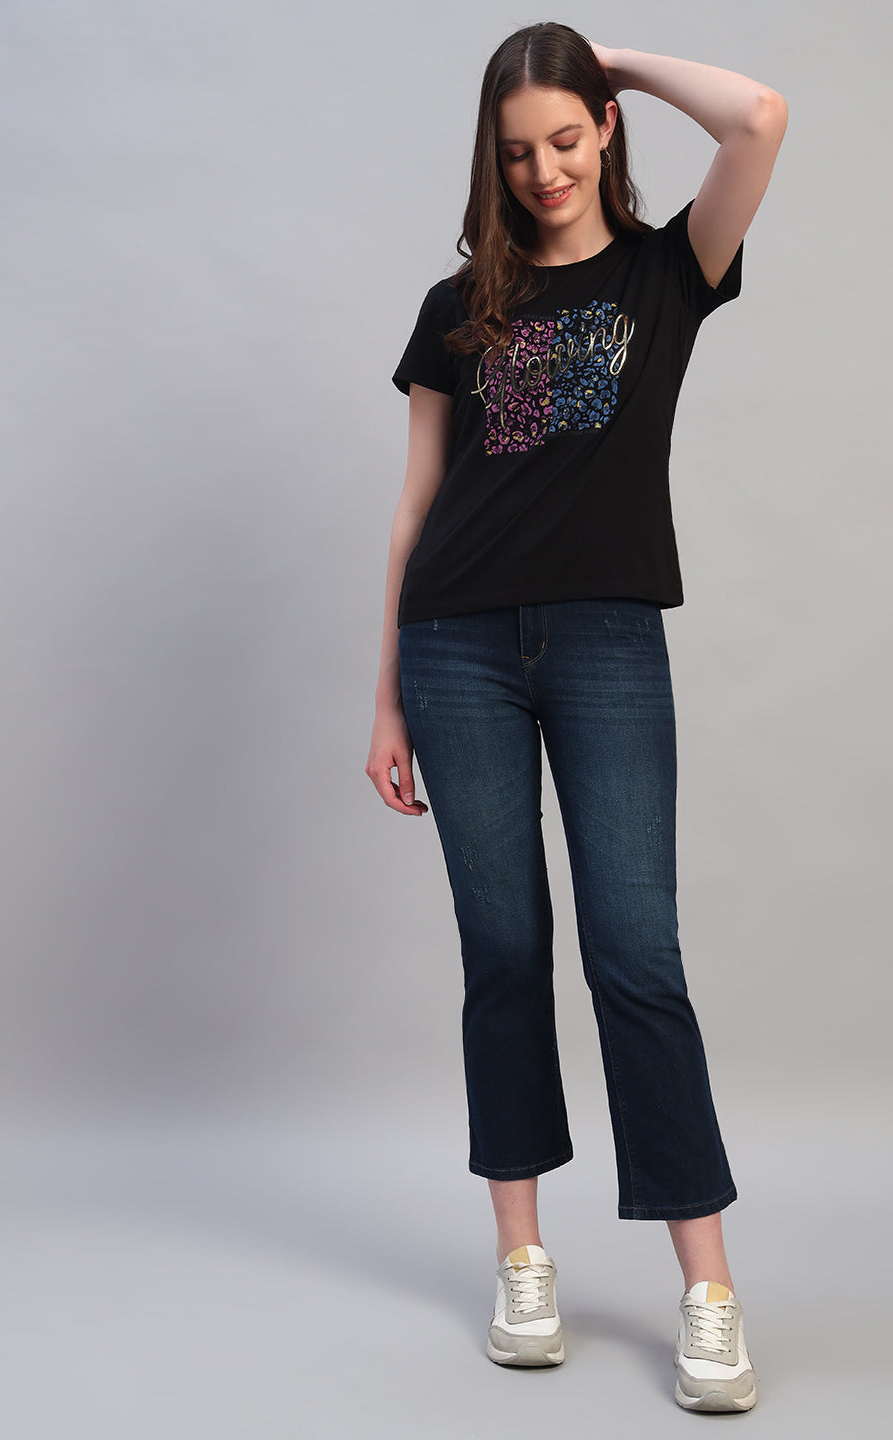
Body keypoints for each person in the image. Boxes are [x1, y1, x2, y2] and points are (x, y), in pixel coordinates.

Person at [365, 22, 786, 1413]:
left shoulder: (671, 271)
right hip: (456, 649)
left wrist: (621, 59)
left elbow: (761, 117)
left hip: (606, 643)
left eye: (564, 137)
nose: (542, 171)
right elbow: (416, 509)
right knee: (502, 949)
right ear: (490, 163)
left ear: (603, 131)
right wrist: (385, 697)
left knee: (634, 953)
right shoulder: (457, 306)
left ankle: (707, 1290)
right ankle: (523, 1262)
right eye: (516, 152)